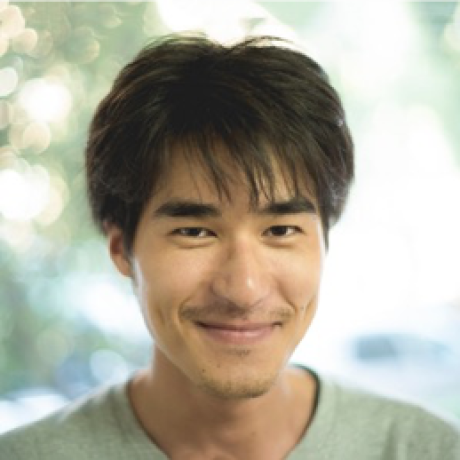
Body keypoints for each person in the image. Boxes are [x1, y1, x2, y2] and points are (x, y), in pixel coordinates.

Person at [0, 34, 459, 460]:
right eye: (195, 232)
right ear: (122, 248)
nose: (244, 289)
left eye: (280, 230)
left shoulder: (423, 449)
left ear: (324, 240)